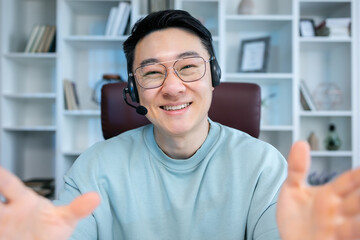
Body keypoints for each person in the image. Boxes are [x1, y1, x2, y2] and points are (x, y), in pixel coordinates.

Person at [0, 9, 359, 240]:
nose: (172, 87)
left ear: (213, 76)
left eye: (188, 67)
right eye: (152, 73)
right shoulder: (94, 168)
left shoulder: (263, 166)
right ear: (134, 91)